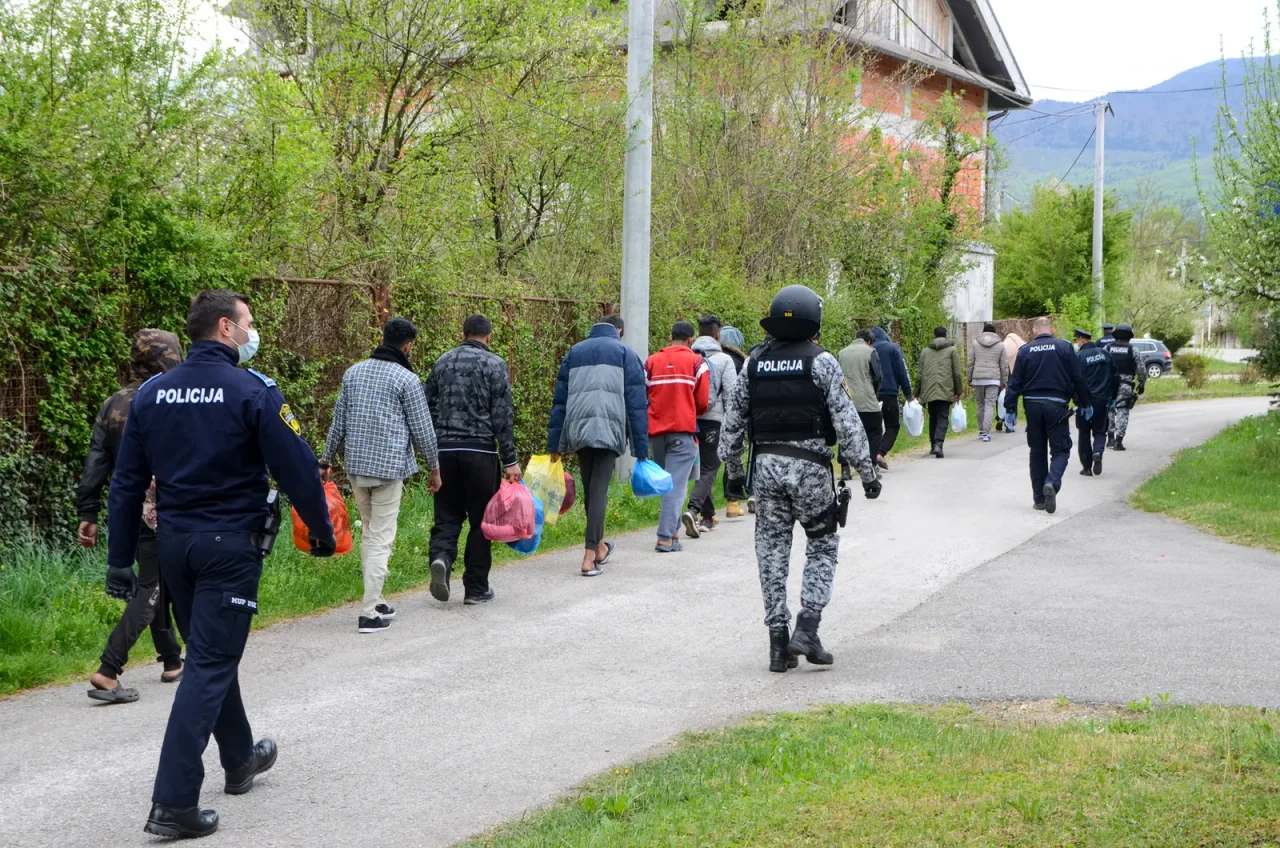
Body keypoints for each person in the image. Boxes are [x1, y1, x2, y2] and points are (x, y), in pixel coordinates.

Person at [107, 290, 336, 839]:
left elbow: (126, 485)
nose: (254, 334)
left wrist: (120, 560)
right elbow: (299, 468)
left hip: (175, 548)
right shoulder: (253, 390)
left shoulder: (153, 394)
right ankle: (173, 803)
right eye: (249, 324)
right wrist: (321, 531)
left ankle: (239, 759)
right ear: (227, 329)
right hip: (229, 547)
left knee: (212, 650)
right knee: (208, 663)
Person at [720, 285, 881, 673]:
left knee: (771, 553)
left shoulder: (753, 363)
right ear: (815, 321)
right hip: (810, 468)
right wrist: (867, 472)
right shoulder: (822, 362)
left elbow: (733, 425)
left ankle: (778, 643)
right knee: (822, 546)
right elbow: (847, 421)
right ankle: (807, 627)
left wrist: (735, 472)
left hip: (766, 471)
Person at [78, 329, 185, 703]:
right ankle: (109, 670)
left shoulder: (113, 403)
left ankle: (171, 660)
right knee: (151, 587)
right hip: (164, 507)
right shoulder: (169, 398)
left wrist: (87, 511)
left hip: (128, 508)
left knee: (156, 580)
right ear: (168, 358)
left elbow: (96, 462)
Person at [322, 318, 441, 634]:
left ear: (383, 338)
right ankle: (368, 612)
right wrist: (434, 467)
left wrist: (325, 459)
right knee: (381, 536)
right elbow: (423, 430)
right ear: (408, 346)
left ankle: (377, 599)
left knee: (372, 533)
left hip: (357, 467)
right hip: (388, 470)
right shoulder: (406, 379)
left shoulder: (354, 373)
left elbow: (339, 422)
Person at [424, 314, 519, 606]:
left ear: (462, 333)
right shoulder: (495, 364)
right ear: (488, 337)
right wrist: (510, 459)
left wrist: (433, 446)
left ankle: (441, 557)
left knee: (447, 516)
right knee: (481, 521)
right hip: (481, 452)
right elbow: (503, 414)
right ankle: (476, 588)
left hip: (445, 452)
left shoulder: (443, 362)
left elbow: (425, 404)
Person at [547, 314, 649, 576]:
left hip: (578, 431)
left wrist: (555, 444)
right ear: (619, 331)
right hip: (609, 431)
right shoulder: (626, 354)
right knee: (599, 492)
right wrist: (641, 449)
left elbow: (560, 401)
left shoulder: (575, 352)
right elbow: (637, 405)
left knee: (592, 490)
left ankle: (600, 546)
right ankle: (589, 556)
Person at [1002, 317, 1092, 514]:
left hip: (1032, 406)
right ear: (1051, 330)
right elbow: (1077, 377)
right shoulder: (1064, 347)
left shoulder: (1025, 351)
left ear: (1034, 331)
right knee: (1060, 450)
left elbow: (1014, 382)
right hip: (1057, 406)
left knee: (1037, 452)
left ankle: (1039, 499)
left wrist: (1010, 409)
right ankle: (1052, 482)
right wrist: (1084, 402)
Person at [645, 321, 710, 551]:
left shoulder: (651, 361)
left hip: (656, 433)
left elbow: (644, 393)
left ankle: (673, 534)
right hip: (683, 432)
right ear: (691, 340)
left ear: (670, 337)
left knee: (667, 485)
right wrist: (690, 411)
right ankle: (664, 537)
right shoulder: (697, 363)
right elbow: (703, 402)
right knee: (676, 486)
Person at [688, 315, 736, 533]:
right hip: (712, 421)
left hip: (689, 420)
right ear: (718, 335)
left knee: (699, 468)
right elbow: (731, 396)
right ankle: (693, 509)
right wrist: (732, 427)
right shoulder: (724, 360)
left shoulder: (688, 357)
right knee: (711, 466)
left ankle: (708, 516)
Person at [1072, 328, 1117, 476]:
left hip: (1084, 402)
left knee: (1084, 433)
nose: (1076, 343)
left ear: (1082, 340)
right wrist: (1113, 397)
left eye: (1076, 340)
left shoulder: (1078, 357)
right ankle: (1098, 452)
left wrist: (1074, 399)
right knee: (1100, 431)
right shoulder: (1105, 355)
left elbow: (1074, 380)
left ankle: (1086, 467)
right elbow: (1115, 377)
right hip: (1102, 400)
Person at [916, 326, 964, 459]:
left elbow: (919, 374)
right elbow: (957, 373)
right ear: (946, 335)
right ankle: (938, 444)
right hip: (946, 388)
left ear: (934, 335)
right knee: (942, 417)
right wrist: (958, 391)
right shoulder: (952, 350)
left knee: (933, 417)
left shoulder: (925, 351)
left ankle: (933, 445)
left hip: (929, 389)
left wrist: (916, 392)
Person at [870, 326, 913, 469]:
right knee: (892, 426)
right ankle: (880, 454)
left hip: (871, 394)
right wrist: (908, 394)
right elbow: (902, 371)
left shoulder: (868, 349)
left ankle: (871, 456)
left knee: (873, 428)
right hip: (889, 393)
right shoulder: (893, 348)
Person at [837, 330, 884, 459]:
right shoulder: (870, 352)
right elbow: (878, 377)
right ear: (869, 341)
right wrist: (874, 393)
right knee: (875, 431)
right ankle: (872, 463)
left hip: (847, 401)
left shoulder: (842, 353)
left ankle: (844, 467)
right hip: (867, 401)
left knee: (847, 433)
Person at [718, 326, 749, 516]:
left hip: (706, 416)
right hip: (730, 416)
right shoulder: (741, 363)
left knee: (708, 464)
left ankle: (704, 509)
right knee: (732, 459)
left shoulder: (707, 357)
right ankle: (732, 502)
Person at [1106, 323, 1147, 451]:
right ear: (1129, 336)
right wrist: (1141, 384)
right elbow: (1141, 369)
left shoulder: (1107, 348)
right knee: (1122, 410)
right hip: (1125, 384)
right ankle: (1118, 441)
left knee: (1109, 410)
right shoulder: (1132, 350)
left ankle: (1110, 438)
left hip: (1109, 384)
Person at [967, 322, 1009, 442]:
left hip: (978, 378)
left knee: (980, 404)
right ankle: (986, 433)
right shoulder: (1000, 345)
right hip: (993, 379)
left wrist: (969, 378)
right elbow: (1004, 365)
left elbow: (970, 362)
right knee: (989, 404)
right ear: (994, 332)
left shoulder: (975, 343)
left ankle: (981, 430)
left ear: (983, 331)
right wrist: (1004, 381)